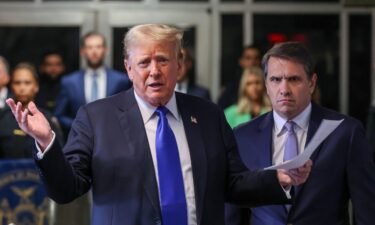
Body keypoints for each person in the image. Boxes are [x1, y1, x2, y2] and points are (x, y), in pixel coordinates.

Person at [6, 24, 311, 225]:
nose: (154, 71)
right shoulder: (96, 117)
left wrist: (278, 178)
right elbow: (66, 188)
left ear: (179, 65)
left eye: (163, 60)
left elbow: (232, 184)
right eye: (144, 62)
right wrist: (47, 144)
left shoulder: (207, 114)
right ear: (128, 68)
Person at [225, 41, 375, 225]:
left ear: (311, 83)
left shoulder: (346, 132)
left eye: (293, 79)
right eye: (276, 79)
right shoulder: (243, 136)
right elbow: (232, 210)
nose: (284, 89)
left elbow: (367, 211)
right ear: (266, 85)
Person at [55, 31, 132, 134]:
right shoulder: (69, 82)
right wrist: (78, 125)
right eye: (90, 47)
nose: (94, 51)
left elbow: (128, 111)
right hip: (80, 138)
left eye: (98, 47)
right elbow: (59, 115)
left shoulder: (120, 80)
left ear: (105, 50)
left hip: (113, 136)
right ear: (82, 51)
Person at [0, 62, 62, 158]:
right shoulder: (2, 118)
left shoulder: (48, 119)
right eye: (17, 83)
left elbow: (59, 155)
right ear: (11, 86)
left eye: (27, 83)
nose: (22, 87)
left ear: (36, 86)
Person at [218, 45, 261, 109]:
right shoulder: (231, 87)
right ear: (241, 61)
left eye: (256, 58)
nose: (252, 62)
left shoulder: (268, 85)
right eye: (248, 58)